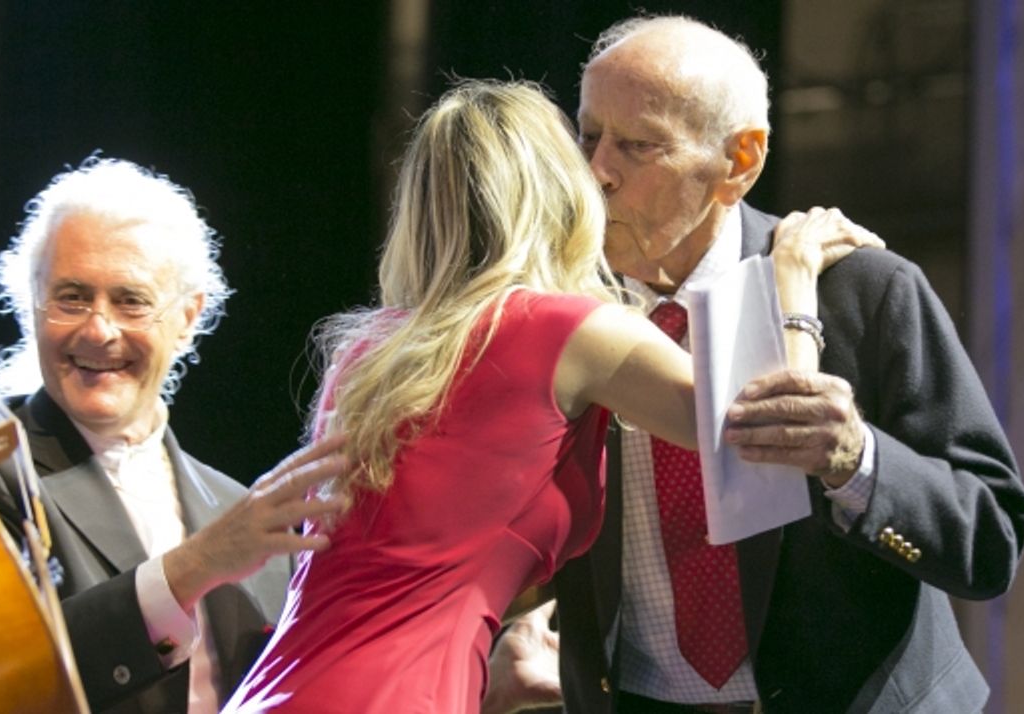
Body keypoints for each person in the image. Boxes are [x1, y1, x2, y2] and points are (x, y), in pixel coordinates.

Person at [220, 79, 878, 714]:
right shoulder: (562, 327)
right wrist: (788, 274)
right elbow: (770, 432)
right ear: (560, 191)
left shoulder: (367, 351)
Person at [483, 15, 1024, 714]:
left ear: (739, 162)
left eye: (637, 146)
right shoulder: (552, 309)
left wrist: (858, 461)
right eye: (588, 137)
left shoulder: (860, 290)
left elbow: (991, 538)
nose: (596, 174)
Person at [0, 156, 349, 714]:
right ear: (31, 303)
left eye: (130, 301)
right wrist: (193, 566)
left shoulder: (241, 515)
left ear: (187, 318)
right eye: (71, 296)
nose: (98, 329)